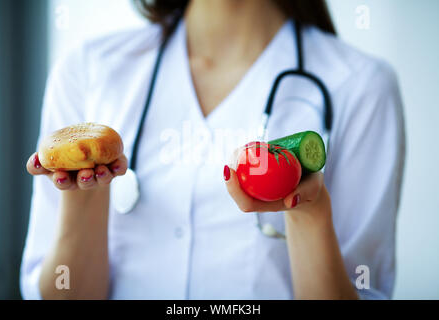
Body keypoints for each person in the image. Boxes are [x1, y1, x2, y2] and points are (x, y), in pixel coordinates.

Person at [21, 0, 405, 299]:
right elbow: (62, 293)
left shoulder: (362, 86)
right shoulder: (88, 71)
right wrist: (84, 201)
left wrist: (307, 213)